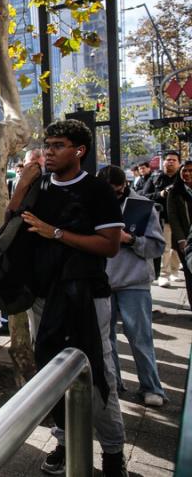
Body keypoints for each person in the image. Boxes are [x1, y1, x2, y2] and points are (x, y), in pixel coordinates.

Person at [9, 119, 127, 476]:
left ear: (80, 151)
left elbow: (109, 246)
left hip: (86, 295)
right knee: (51, 372)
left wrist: (55, 232)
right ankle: (63, 442)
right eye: (47, 145)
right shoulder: (39, 185)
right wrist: (23, 184)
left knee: (95, 370)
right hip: (43, 297)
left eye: (58, 145)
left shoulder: (97, 191)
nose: (49, 151)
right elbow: (10, 224)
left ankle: (112, 452)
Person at [97, 166, 166, 407]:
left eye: (116, 193)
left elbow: (157, 246)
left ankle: (151, 387)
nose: (112, 198)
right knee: (106, 339)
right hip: (103, 280)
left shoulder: (142, 206)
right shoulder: (93, 205)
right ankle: (114, 382)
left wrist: (132, 240)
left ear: (124, 186)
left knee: (139, 337)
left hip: (134, 282)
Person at [143, 150, 182, 287]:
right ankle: (163, 274)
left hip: (180, 219)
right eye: (168, 159)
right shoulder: (155, 177)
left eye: (174, 160)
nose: (170, 162)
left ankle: (174, 271)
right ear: (163, 162)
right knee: (165, 247)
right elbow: (144, 195)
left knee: (179, 247)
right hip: (162, 218)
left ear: (179, 163)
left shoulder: (183, 178)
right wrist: (160, 194)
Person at [167, 159, 192, 302]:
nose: (187, 174)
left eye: (190, 170)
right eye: (184, 171)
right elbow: (173, 218)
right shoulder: (175, 193)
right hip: (187, 241)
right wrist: (181, 240)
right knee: (190, 275)